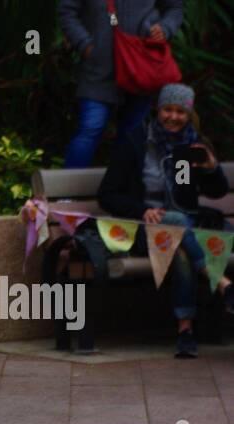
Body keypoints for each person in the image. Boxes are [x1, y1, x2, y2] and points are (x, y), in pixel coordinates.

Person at [96, 83, 231, 358]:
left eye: (180, 112)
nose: (173, 117)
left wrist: (211, 169)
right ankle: (221, 284)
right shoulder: (135, 142)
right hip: (145, 231)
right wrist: (141, 209)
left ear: (188, 114)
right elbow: (107, 194)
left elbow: (216, 191)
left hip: (183, 231)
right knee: (173, 220)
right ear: (158, 109)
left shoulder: (192, 146)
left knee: (179, 243)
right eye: (168, 109)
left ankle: (185, 330)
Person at [59, 0, 184, 168]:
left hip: (141, 68)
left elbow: (174, 8)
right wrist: (86, 45)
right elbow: (67, 14)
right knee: (91, 128)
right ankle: (68, 191)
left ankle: (121, 191)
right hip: (98, 70)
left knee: (131, 134)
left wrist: (165, 28)